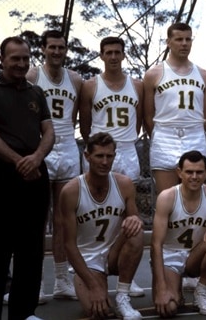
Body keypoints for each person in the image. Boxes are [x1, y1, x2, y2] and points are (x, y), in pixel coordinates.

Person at [0, 36, 54, 320]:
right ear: (2, 59)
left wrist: (36, 158)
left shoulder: (36, 93)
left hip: (34, 175)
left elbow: (49, 132)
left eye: (25, 58)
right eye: (15, 58)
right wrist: (19, 160)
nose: (21, 64)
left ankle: (23, 313)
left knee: (31, 252)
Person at [79, 36, 145, 297]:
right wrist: (98, 148)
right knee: (100, 212)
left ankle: (127, 276)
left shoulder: (136, 85)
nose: (114, 57)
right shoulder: (91, 86)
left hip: (127, 149)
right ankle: (95, 267)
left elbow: (138, 122)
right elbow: (85, 124)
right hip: (102, 152)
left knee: (127, 216)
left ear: (124, 55)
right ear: (101, 56)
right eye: (109, 52)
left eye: (118, 52)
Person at [59, 132, 144, 320]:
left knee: (136, 232)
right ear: (87, 156)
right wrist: (94, 286)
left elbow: (134, 217)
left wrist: (135, 219)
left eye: (109, 156)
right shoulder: (71, 191)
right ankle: (96, 284)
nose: (105, 162)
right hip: (87, 259)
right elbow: (69, 246)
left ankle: (123, 296)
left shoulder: (124, 184)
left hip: (114, 253)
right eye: (99, 156)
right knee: (97, 312)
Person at [26, 29, 82, 301]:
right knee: (37, 219)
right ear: (43, 49)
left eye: (61, 47)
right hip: (41, 148)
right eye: (52, 47)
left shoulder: (75, 79)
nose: (57, 52)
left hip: (69, 147)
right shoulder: (34, 76)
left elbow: (80, 115)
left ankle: (62, 279)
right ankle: (35, 282)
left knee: (63, 219)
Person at [151, 150, 206, 317]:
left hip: (194, 255)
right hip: (169, 256)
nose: (194, 176)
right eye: (189, 172)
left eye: (199, 172)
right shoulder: (167, 197)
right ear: (179, 172)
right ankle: (173, 287)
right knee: (169, 309)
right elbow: (156, 245)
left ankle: (201, 292)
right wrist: (162, 288)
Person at [143, 22, 206, 195]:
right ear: (168, 42)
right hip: (165, 136)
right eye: (179, 39)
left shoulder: (203, 75)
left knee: (195, 197)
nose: (184, 43)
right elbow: (148, 116)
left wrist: (194, 129)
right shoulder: (154, 74)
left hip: (194, 134)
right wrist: (159, 134)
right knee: (167, 198)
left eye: (188, 39)